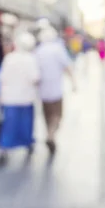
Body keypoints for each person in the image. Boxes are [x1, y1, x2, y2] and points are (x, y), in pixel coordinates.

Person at [0, 32, 40, 162]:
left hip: (9, 98)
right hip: (25, 98)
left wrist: (0, 95)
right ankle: (27, 144)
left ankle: (5, 147)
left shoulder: (9, 58)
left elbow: (1, 78)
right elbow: (35, 78)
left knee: (9, 124)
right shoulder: (31, 59)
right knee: (25, 124)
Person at [35, 27, 76, 155]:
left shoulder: (38, 51)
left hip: (43, 89)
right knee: (57, 114)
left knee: (47, 115)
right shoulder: (58, 49)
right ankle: (51, 135)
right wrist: (74, 82)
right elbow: (67, 66)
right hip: (56, 89)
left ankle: (49, 133)